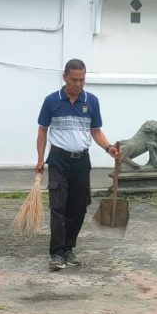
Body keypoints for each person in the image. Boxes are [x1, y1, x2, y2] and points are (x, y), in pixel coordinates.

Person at [35, 59, 121, 271]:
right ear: (64, 77)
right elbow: (42, 130)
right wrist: (39, 159)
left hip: (82, 161)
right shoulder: (51, 101)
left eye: (82, 80)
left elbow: (96, 131)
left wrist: (108, 148)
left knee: (78, 205)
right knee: (58, 205)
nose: (78, 84)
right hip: (58, 159)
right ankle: (56, 253)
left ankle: (68, 249)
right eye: (74, 79)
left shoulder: (91, 101)